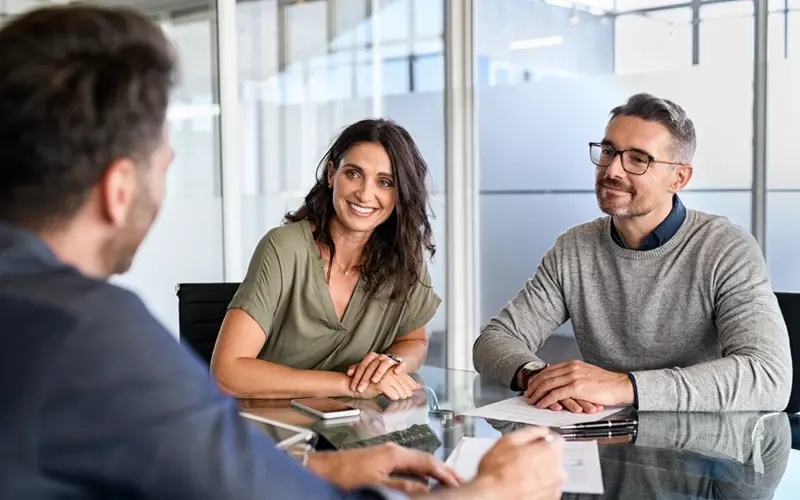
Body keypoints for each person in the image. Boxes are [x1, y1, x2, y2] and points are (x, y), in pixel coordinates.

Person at [0, 5, 568, 500]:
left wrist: (327, 462)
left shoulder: (41, 315)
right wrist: (493, 491)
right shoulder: (96, 338)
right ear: (118, 189)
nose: (368, 193)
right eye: (166, 160)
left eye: (387, 183)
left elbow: (189, 472)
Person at [473, 93, 792, 413]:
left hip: (707, 451)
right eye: (609, 151)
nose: (612, 170)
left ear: (679, 177)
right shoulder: (574, 248)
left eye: (638, 159)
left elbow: (767, 376)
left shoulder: (725, 248)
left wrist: (623, 385)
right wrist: (540, 377)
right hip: (603, 440)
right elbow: (494, 340)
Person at [211, 119, 440, 401]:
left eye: (385, 182)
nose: (365, 194)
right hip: (269, 429)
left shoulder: (405, 257)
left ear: (400, 193)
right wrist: (350, 385)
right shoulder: (284, 247)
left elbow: (414, 340)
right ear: (332, 174)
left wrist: (391, 363)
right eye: (354, 174)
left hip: (351, 432)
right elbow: (227, 373)